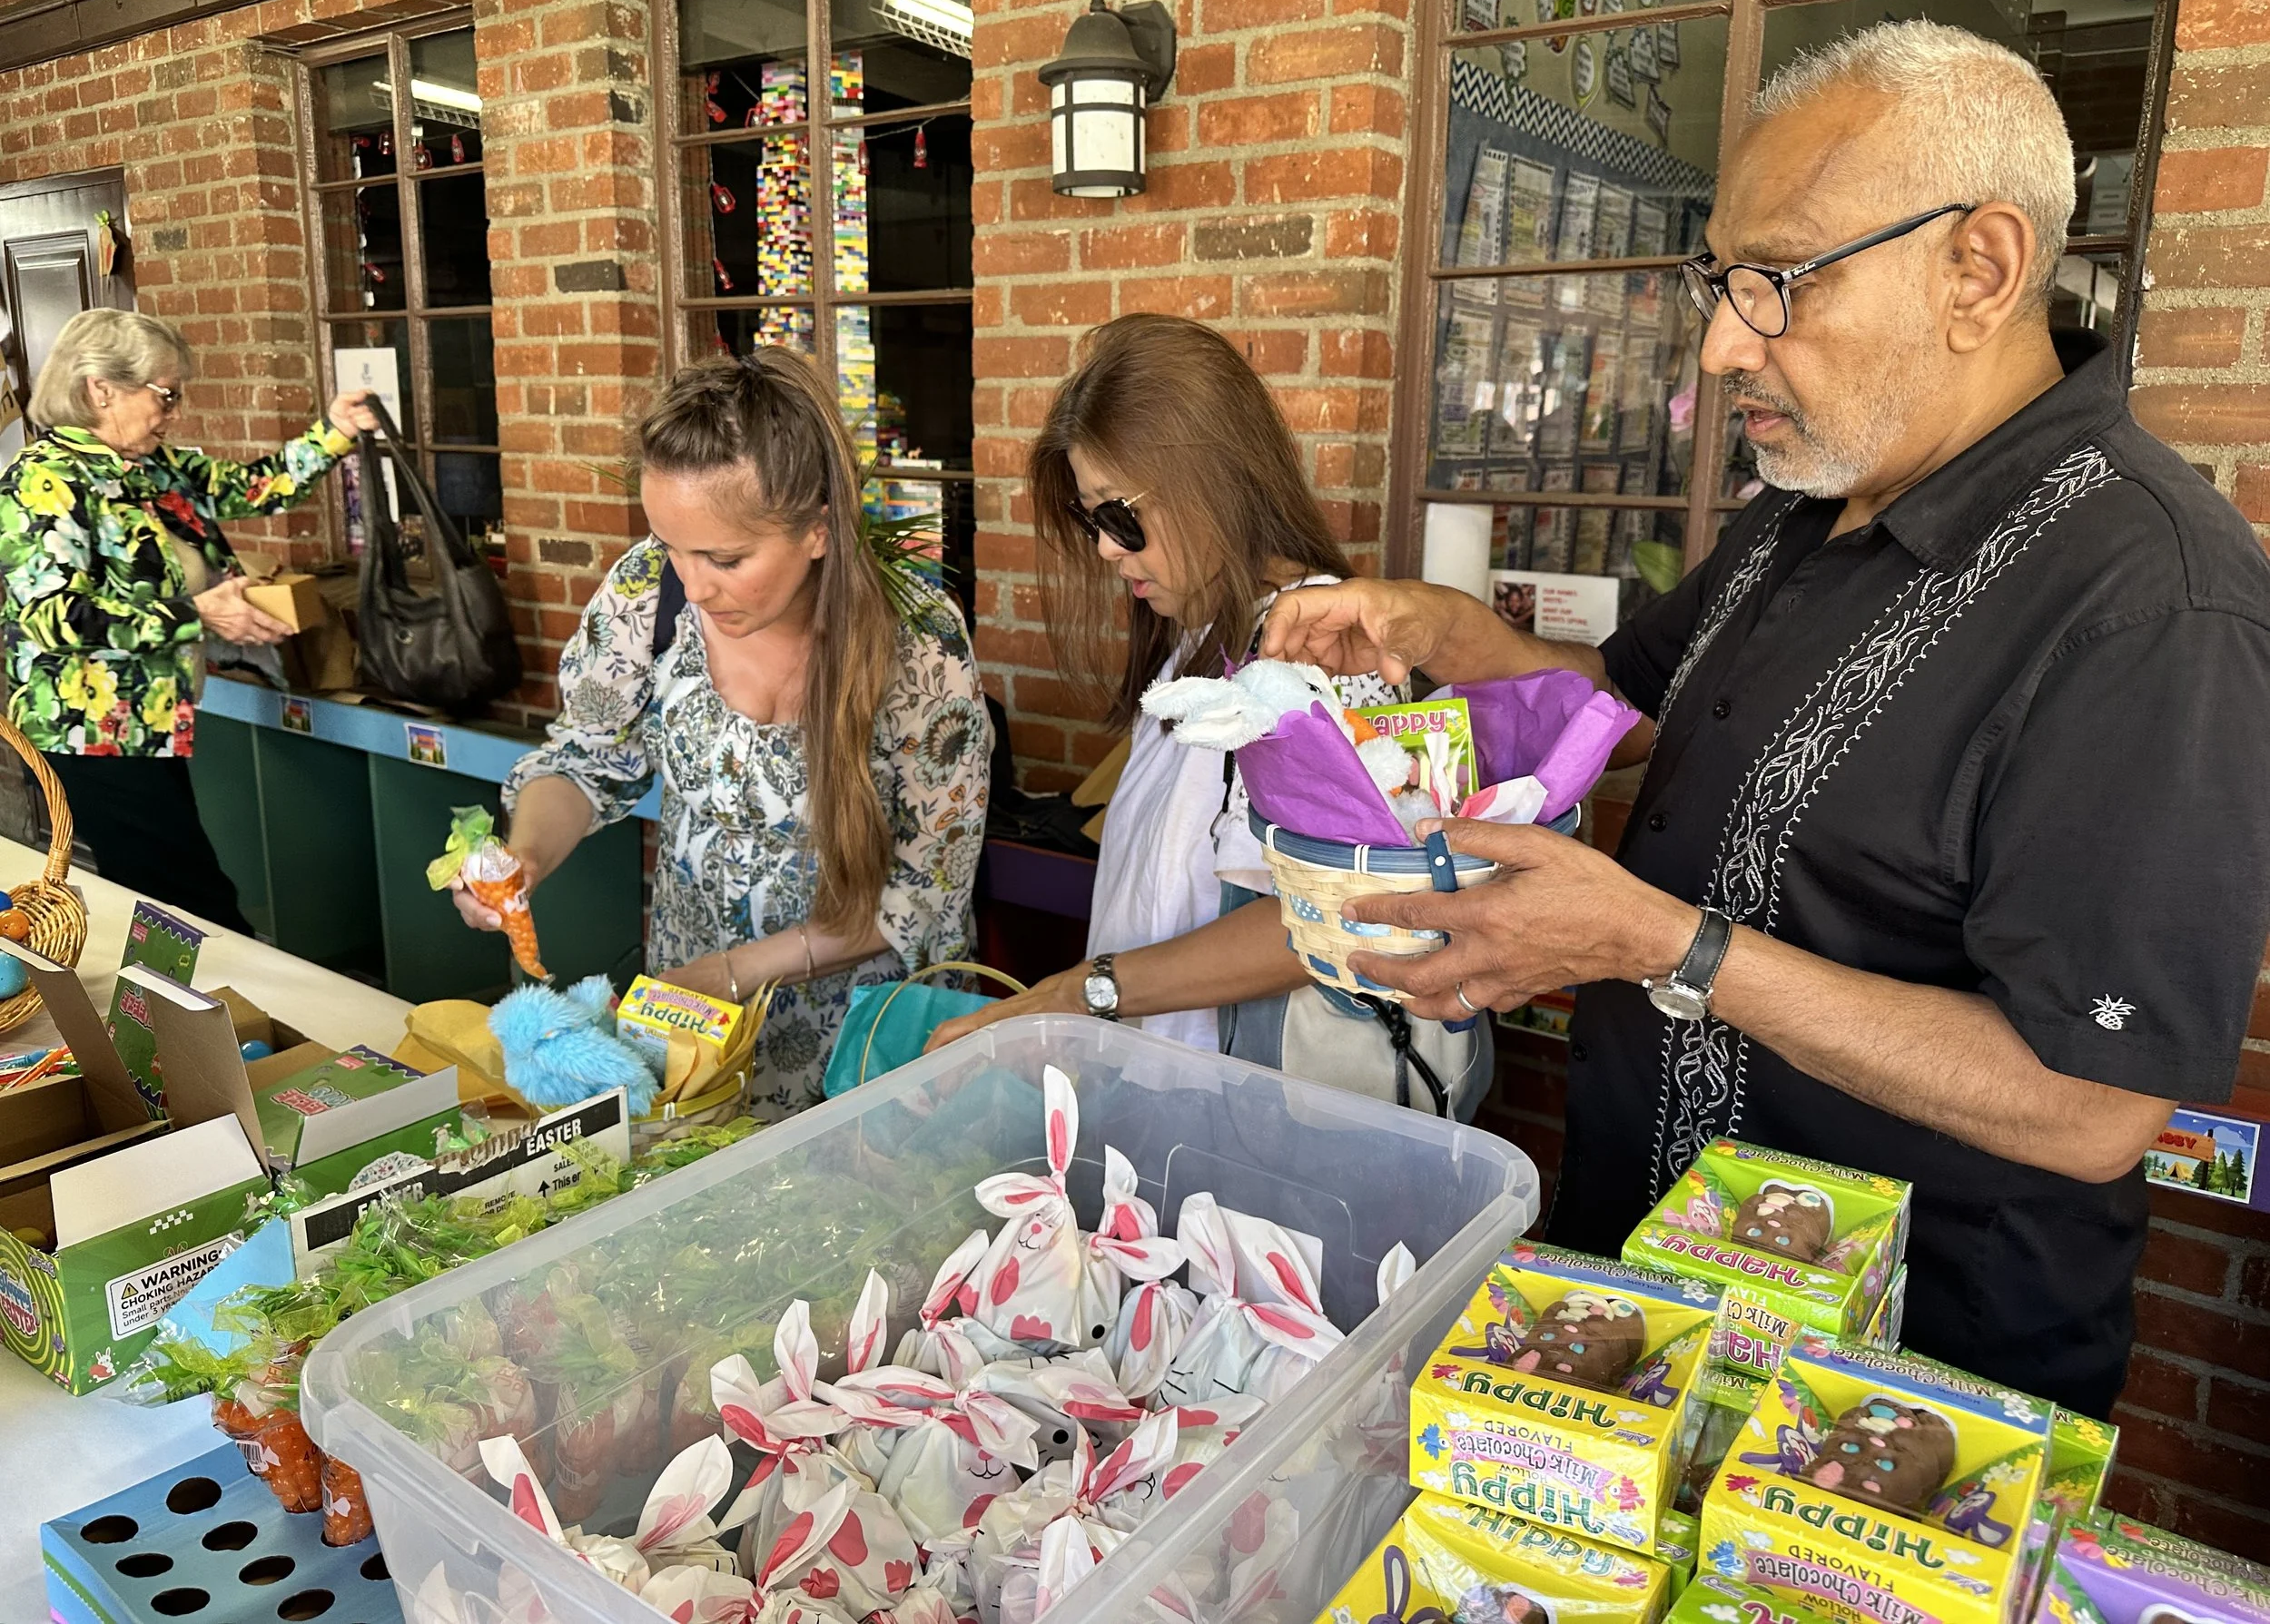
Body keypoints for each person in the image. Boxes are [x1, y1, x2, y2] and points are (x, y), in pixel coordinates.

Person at [1262, 20, 2270, 1414]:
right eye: (1719, 280)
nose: (1726, 342)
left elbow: (2093, 1105)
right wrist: (1434, 630)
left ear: (1977, 267)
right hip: (1646, 1283)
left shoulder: (2152, 598)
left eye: (1778, 282)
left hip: (1897, 1395)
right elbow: (1609, 712)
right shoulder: (1802, 515)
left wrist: (1659, 943)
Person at [927, 314, 1489, 1117]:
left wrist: (1080, 992)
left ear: (1212, 479)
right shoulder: (1197, 636)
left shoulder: (1323, 655)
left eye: (1119, 516)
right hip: (1168, 1095)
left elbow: (1340, 913)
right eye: (1092, 521)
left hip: (1249, 1119)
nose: (1105, 550)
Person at [469, 350, 989, 1123]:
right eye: (673, 545)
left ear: (817, 528)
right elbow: (586, 757)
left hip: (861, 1035)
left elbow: (923, 895)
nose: (696, 584)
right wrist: (527, 857)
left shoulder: (918, 645)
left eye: (726, 557)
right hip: (693, 1023)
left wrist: (734, 973)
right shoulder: (651, 592)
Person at [0, 307, 378, 932]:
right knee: (190, 903)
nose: (175, 412)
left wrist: (334, 433)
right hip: (89, 729)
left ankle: (173, 1014)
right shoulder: (43, 481)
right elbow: (56, 618)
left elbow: (257, 487)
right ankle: (211, 1017)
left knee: (166, 898)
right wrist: (196, 613)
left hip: (150, 719)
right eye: (166, 395)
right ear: (101, 389)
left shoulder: (154, 467)